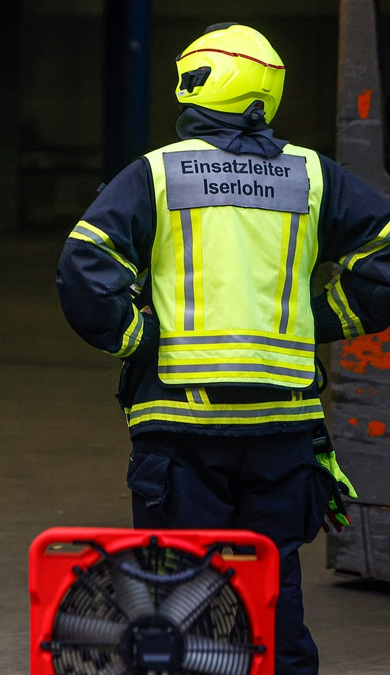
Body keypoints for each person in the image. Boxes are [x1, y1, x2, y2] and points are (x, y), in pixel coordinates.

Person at [56, 23, 390, 675]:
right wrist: (317, 318)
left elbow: (83, 266)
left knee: (182, 595)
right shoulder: (312, 177)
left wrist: (139, 336)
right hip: (281, 429)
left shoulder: (156, 174)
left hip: (180, 427)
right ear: (266, 90)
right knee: (271, 591)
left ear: (193, 86)